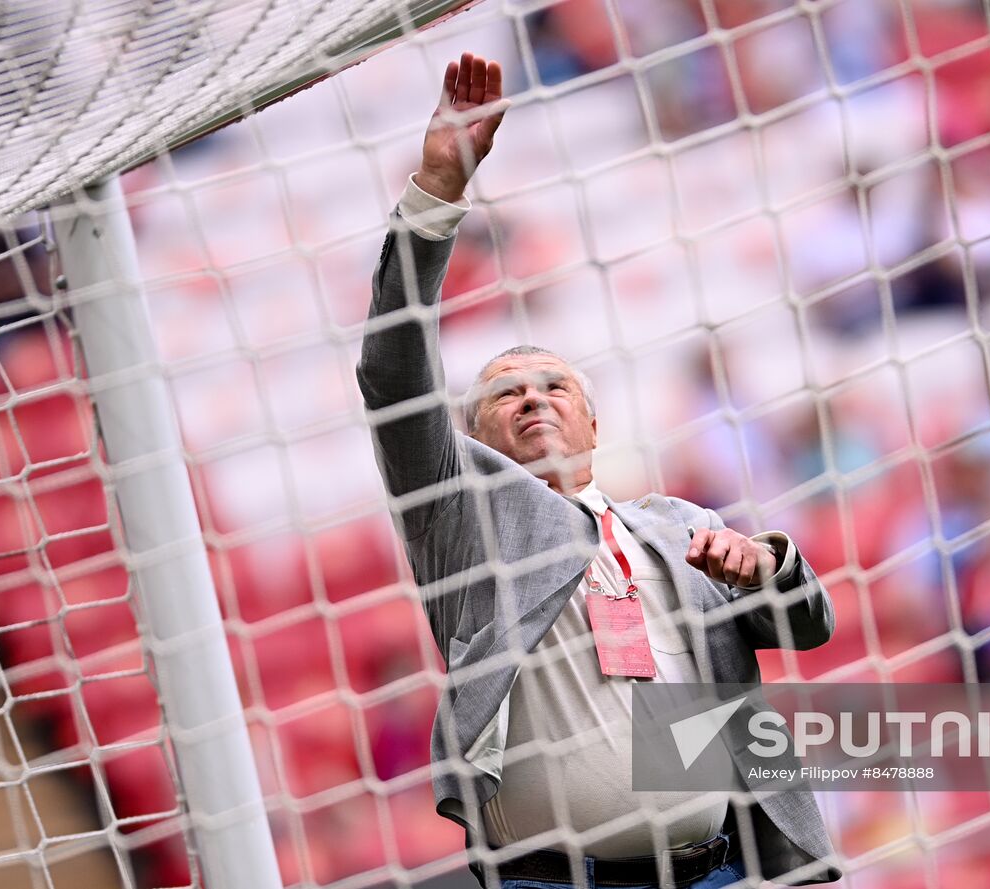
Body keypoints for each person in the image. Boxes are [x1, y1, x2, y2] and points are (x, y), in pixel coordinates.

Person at [357, 52, 840, 888]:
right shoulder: (462, 521)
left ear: (593, 419)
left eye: (555, 385)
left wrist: (768, 570)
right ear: (471, 442)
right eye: (505, 394)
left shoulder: (680, 525)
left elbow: (809, 630)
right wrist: (438, 188)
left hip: (715, 871)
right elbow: (393, 371)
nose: (534, 399)